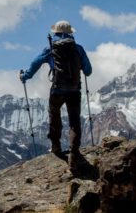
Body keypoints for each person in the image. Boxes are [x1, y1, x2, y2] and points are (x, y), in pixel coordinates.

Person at [19, 20, 92, 172]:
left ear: (55, 33)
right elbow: (88, 71)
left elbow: (34, 65)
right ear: (71, 33)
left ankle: (56, 146)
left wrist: (24, 76)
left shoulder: (50, 49)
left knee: (54, 114)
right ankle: (74, 153)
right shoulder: (78, 49)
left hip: (57, 90)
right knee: (74, 122)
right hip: (74, 90)